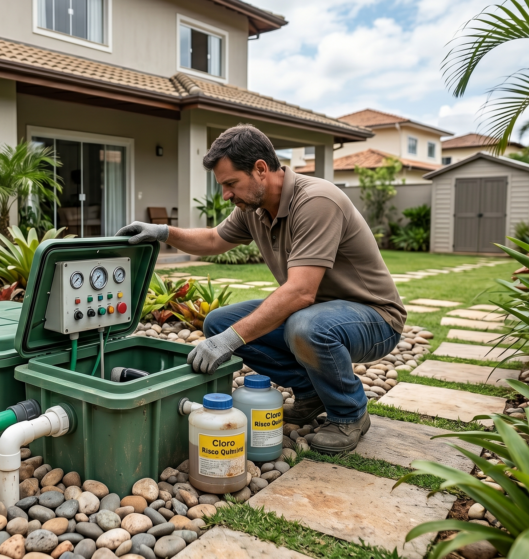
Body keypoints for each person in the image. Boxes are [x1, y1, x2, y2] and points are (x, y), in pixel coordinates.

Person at [117, 124, 405, 454]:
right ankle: (311, 393)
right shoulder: (255, 208)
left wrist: (229, 341)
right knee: (218, 322)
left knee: (302, 327)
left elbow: (300, 293)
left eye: (230, 184)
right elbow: (213, 239)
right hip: (317, 313)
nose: (225, 195)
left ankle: (349, 413)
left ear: (260, 169)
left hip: (375, 318)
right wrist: (163, 232)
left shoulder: (316, 201)